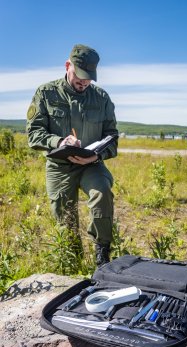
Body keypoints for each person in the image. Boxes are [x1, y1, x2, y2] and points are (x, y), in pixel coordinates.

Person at [26, 44, 118, 267]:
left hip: (91, 164)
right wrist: (59, 141)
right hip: (59, 166)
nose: (84, 82)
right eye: (80, 76)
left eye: (89, 78)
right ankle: (72, 260)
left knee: (102, 192)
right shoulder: (46, 93)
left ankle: (102, 253)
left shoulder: (101, 98)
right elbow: (34, 133)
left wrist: (95, 157)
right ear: (68, 66)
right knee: (64, 216)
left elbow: (112, 136)